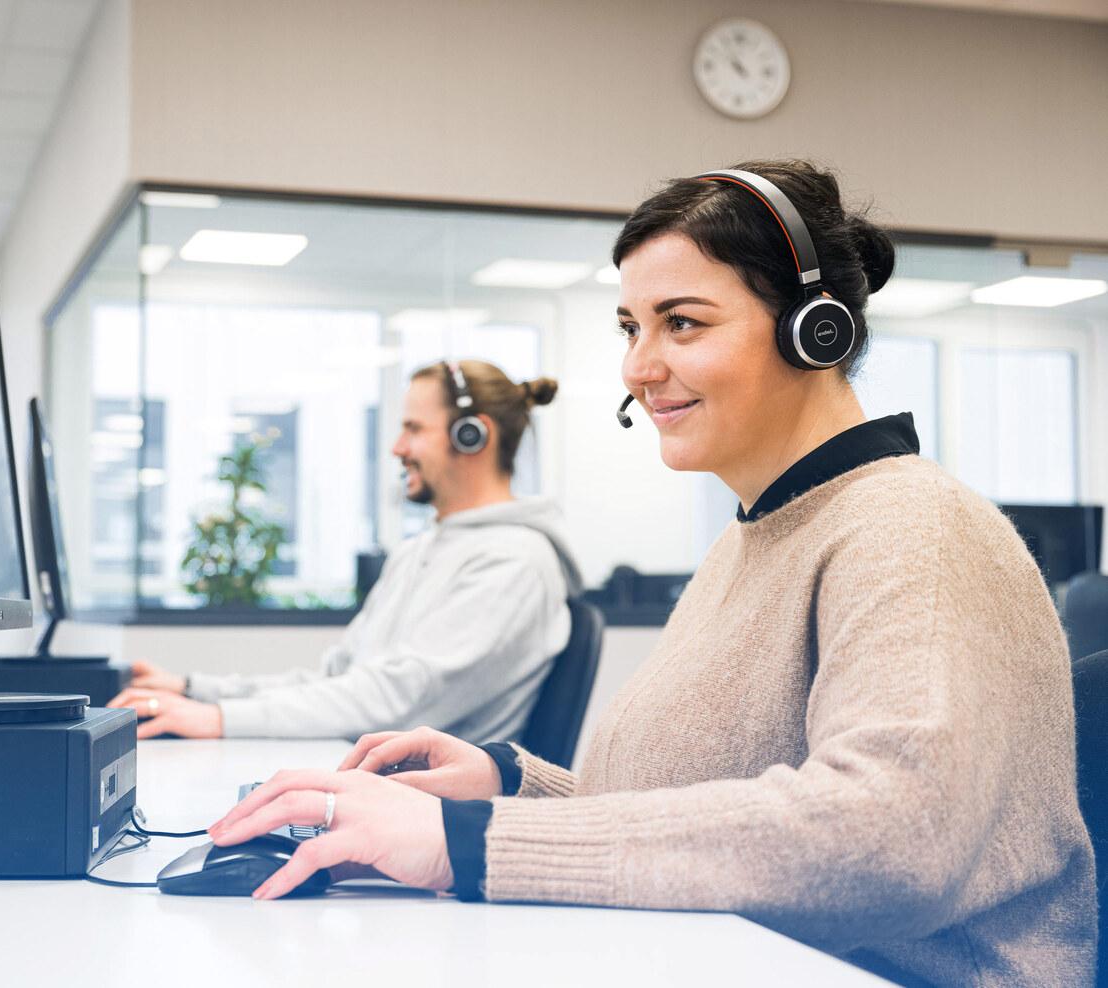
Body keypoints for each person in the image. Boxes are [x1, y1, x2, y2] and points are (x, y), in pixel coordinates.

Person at [208, 161, 1097, 986]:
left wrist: (472, 841)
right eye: (633, 327)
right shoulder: (758, 535)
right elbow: (704, 800)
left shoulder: (916, 530)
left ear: (813, 329)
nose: (640, 367)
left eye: (683, 322)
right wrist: (514, 786)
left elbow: (898, 834)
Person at [107, 359, 584, 743]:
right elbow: (341, 678)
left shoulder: (512, 563)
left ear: (472, 435)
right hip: (371, 782)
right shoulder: (422, 550)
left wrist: (217, 718)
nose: (398, 447)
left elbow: (395, 702)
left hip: (418, 811)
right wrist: (198, 691)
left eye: (414, 428)